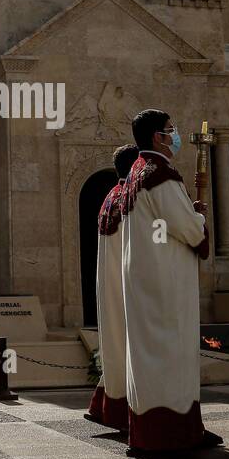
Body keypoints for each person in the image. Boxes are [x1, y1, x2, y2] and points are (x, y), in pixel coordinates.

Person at [121, 109, 219, 455]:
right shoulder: (160, 173)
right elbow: (187, 227)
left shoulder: (136, 172)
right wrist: (199, 220)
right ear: (155, 137)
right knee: (170, 352)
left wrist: (187, 212)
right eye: (169, 131)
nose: (174, 136)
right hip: (165, 280)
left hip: (145, 278)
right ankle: (173, 433)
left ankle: (158, 430)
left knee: (152, 354)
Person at [87, 144, 140, 433]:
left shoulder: (110, 197)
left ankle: (109, 406)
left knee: (117, 347)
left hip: (110, 287)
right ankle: (131, 413)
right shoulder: (134, 198)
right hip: (130, 285)